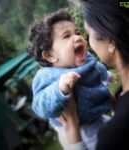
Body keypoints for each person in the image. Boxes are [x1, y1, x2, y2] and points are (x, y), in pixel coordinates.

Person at [27, 9, 113, 150]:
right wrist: (60, 89)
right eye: (66, 36)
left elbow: (97, 68)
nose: (77, 37)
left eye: (77, 33)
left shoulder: (87, 61)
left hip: (96, 117)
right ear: (50, 56)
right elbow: (39, 105)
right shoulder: (47, 75)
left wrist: (107, 76)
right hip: (76, 130)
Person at [58, 0, 129, 149]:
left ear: (111, 42)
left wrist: (72, 129)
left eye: (86, 33)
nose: (82, 39)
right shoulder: (119, 98)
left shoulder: (113, 135)